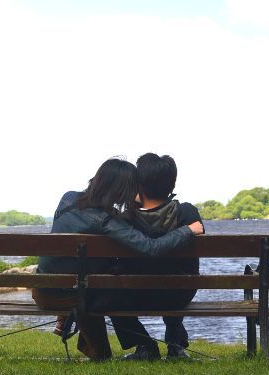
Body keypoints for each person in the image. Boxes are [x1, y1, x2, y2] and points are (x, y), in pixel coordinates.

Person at [32, 158, 203, 361]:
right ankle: (153, 346)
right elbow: (150, 247)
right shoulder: (108, 221)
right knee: (107, 285)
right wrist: (187, 230)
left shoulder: (68, 198)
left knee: (107, 281)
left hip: (42, 289)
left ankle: (143, 346)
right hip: (74, 296)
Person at [110, 153, 203, 360]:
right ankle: (175, 344)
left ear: (138, 184)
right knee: (178, 275)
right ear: (172, 183)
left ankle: (144, 345)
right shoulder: (188, 214)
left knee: (108, 294)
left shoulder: (125, 220)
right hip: (179, 295)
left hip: (136, 296)